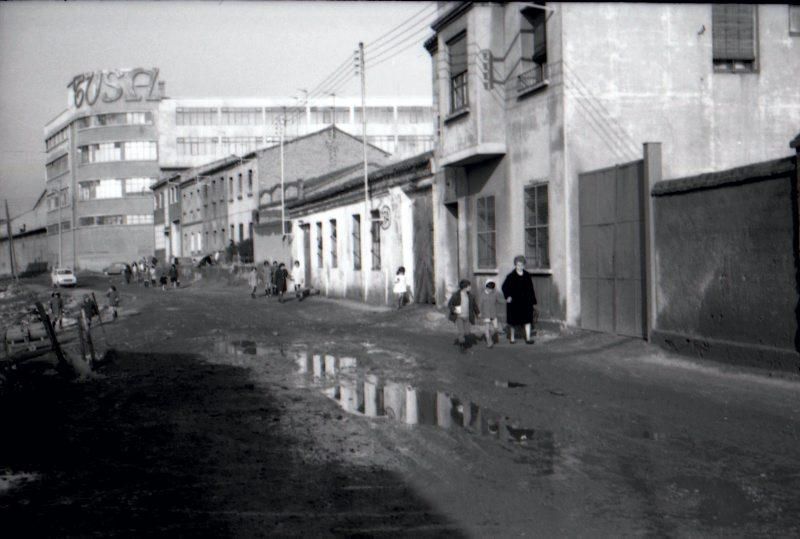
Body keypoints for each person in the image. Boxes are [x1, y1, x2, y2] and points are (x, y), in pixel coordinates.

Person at [501, 255, 538, 344]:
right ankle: (512, 338)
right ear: (515, 265)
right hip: (514, 302)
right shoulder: (511, 276)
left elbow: (531, 289)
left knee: (528, 320)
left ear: (524, 265)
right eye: (518, 265)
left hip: (526, 302)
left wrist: (533, 301)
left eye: (521, 265)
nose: (520, 267)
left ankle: (528, 338)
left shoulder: (527, 275)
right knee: (513, 321)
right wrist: (508, 296)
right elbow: (504, 287)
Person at [447, 279, 480, 354]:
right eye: (469, 286)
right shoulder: (456, 295)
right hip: (459, 317)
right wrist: (454, 309)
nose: (470, 287)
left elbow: (474, 306)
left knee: (467, 333)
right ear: (465, 287)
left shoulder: (470, 296)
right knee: (461, 332)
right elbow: (450, 304)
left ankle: (464, 345)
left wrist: (478, 313)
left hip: (467, 317)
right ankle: (463, 348)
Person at [478, 281, 505, 348]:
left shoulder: (494, 294)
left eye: (492, 289)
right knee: (487, 328)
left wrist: (506, 301)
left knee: (495, 329)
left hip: (493, 314)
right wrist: (479, 312)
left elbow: (499, 300)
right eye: (489, 289)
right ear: (486, 287)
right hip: (486, 314)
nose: (490, 290)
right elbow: (480, 305)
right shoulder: (482, 295)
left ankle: (489, 336)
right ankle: (489, 342)